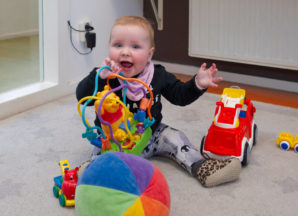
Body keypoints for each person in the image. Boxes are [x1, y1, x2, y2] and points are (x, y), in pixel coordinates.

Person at [76, 16, 242, 187]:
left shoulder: (158, 75)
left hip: (151, 134)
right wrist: (98, 77)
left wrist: (197, 84)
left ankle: (203, 167)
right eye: (118, 45)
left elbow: (180, 96)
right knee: (101, 149)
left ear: (149, 54)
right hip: (115, 140)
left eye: (135, 46)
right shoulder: (105, 77)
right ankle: (93, 173)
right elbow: (82, 98)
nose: (125, 52)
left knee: (176, 137)